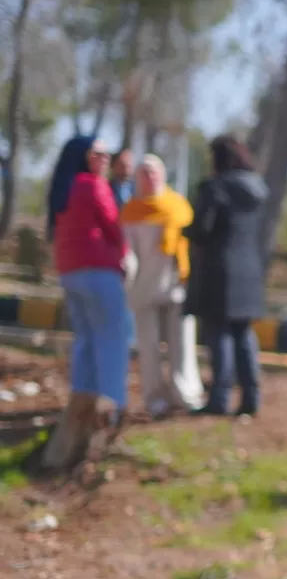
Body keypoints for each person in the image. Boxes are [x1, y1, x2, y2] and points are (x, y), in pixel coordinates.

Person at [47, 135, 132, 423]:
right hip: (99, 271)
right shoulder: (93, 185)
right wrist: (123, 257)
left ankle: (81, 403)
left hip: (69, 271)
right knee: (112, 337)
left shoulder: (63, 188)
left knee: (85, 338)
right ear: (86, 157)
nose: (106, 160)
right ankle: (111, 407)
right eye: (100, 154)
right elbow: (113, 226)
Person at [184, 134, 268, 417]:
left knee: (218, 334)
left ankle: (219, 400)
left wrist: (184, 230)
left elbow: (202, 229)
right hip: (250, 272)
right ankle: (251, 399)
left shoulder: (215, 188)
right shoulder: (258, 189)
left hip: (218, 272)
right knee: (243, 334)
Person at [122, 154, 205, 418]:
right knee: (148, 347)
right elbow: (128, 253)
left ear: (162, 173)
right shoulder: (131, 212)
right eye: (143, 172)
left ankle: (185, 392)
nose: (149, 176)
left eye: (153, 171)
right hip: (144, 289)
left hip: (177, 286)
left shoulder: (178, 206)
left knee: (182, 344)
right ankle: (155, 398)